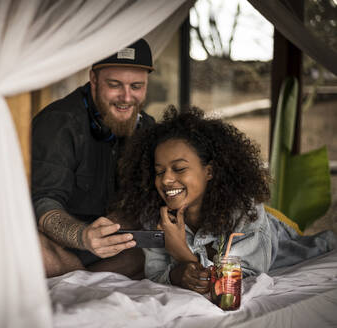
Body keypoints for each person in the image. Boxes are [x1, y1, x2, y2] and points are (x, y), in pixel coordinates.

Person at [113, 106, 336, 294]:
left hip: (285, 242)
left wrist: (181, 253)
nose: (166, 179)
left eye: (179, 168)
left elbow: (240, 280)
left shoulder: (244, 211)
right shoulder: (155, 214)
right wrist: (176, 274)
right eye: (159, 171)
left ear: (208, 171)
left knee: (324, 246)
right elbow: (156, 273)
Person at [31, 39, 156, 278]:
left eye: (137, 86)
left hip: (115, 250)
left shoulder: (148, 127)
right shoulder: (57, 123)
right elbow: (42, 203)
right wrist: (83, 235)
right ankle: (88, 280)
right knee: (31, 248)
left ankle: (80, 280)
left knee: (153, 253)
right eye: (115, 85)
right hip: (60, 244)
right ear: (93, 79)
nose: (126, 97)